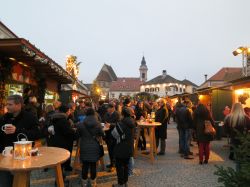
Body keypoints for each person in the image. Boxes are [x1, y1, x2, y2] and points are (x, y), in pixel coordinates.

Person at [0, 95, 41, 187]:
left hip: (23, 157)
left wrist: (17, 130)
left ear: (19, 105)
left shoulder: (30, 117)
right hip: (5, 157)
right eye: (7, 104)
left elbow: (37, 134)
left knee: (22, 183)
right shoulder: (4, 118)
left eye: (10, 104)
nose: (7, 106)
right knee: (5, 183)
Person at [77, 108, 104, 187]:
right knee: (93, 165)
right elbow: (102, 134)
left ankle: (84, 182)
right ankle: (93, 182)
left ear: (86, 114)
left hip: (84, 146)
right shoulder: (98, 124)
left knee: (85, 165)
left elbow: (77, 135)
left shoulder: (81, 124)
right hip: (95, 146)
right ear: (94, 114)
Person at [111, 108, 136, 187]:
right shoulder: (133, 122)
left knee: (119, 167)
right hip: (129, 148)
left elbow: (114, 134)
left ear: (123, 115)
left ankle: (120, 183)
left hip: (121, 148)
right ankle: (125, 182)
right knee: (126, 166)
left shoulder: (122, 123)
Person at [48, 105, 77, 171]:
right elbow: (67, 131)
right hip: (64, 142)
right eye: (69, 110)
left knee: (60, 157)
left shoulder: (55, 117)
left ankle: (65, 168)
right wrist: (75, 133)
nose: (70, 112)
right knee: (63, 157)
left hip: (56, 140)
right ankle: (61, 177)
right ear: (66, 111)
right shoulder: (62, 119)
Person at [103, 103, 120, 171]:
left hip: (114, 134)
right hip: (107, 134)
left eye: (109, 108)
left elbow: (118, 123)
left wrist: (110, 124)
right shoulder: (106, 114)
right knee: (110, 149)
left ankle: (115, 164)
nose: (107, 109)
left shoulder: (117, 114)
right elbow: (104, 120)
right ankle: (112, 163)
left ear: (113, 108)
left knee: (114, 150)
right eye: (107, 108)